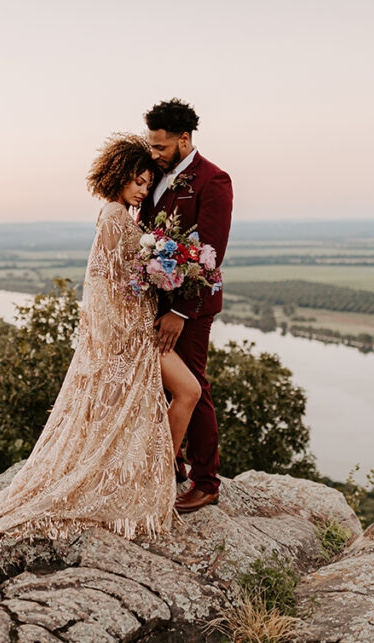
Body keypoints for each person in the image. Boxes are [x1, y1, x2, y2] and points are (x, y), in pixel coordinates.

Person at [0, 133, 202, 596]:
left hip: (138, 335)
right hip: (131, 340)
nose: (141, 188)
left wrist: (166, 272)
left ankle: (157, 474)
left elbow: (123, 282)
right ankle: (156, 480)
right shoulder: (116, 218)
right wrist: (152, 294)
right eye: (136, 180)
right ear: (119, 177)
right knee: (183, 394)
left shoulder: (120, 216)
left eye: (147, 181)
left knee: (184, 393)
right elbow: (105, 289)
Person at [138, 98, 233, 513]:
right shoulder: (153, 176)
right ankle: (173, 459)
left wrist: (179, 312)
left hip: (190, 306)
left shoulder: (214, 180)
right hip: (154, 300)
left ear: (185, 139)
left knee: (193, 385)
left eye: (160, 147)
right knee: (162, 383)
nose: (154, 153)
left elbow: (210, 254)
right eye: (151, 145)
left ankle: (206, 480)